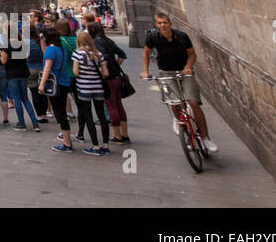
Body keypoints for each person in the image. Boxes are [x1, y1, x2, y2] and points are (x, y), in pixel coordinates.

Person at [142, 12, 215, 153]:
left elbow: (192, 54)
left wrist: (188, 67)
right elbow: (146, 53)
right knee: (174, 103)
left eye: (165, 22)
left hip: (183, 72)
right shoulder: (152, 37)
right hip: (166, 72)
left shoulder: (182, 36)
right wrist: (145, 71)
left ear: (170, 23)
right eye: (159, 23)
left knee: (193, 102)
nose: (163, 25)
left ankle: (206, 138)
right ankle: (178, 119)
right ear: (156, 25)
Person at [88, 20, 130, 143]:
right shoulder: (109, 41)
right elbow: (122, 55)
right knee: (119, 105)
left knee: (111, 105)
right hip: (118, 76)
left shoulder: (95, 42)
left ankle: (117, 135)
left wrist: (105, 69)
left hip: (108, 79)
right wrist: (115, 66)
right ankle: (125, 134)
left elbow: (103, 60)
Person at [72, 31, 111, 156]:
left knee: (88, 116)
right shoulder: (98, 54)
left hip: (84, 88)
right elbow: (106, 74)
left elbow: (76, 72)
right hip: (98, 88)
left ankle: (95, 146)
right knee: (102, 116)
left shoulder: (78, 54)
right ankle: (106, 145)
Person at [39, 26, 74, 152]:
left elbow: (47, 68)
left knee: (59, 113)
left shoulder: (51, 50)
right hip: (64, 82)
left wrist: (42, 84)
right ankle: (65, 138)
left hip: (55, 84)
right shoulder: (60, 48)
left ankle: (67, 143)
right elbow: (46, 54)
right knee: (61, 112)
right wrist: (42, 41)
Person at [5, 21, 40, 131]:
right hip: (23, 72)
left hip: (12, 73)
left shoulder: (6, 45)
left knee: (17, 98)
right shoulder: (22, 43)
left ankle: (21, 122)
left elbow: (3, 61)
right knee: (25, 98)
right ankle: (35, 123)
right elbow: (26, 58)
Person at [27, 15, 49, 123]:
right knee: (43, 92)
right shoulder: (40, 41)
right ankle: (45, 114)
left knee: (34, 93)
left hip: (30, 69)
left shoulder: (26, 42)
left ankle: (39, 115)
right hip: (42, 68)